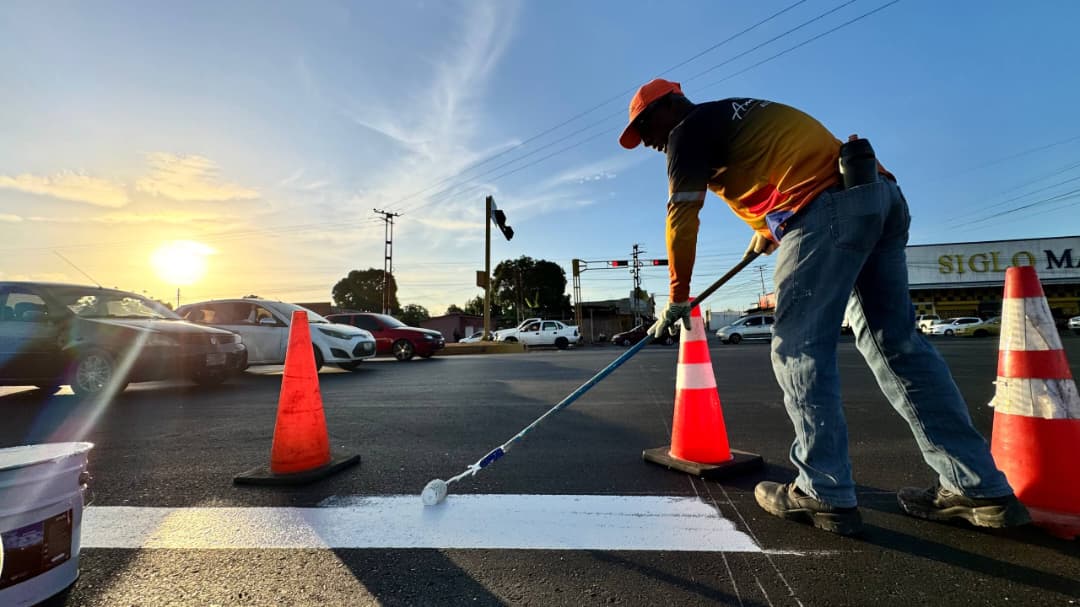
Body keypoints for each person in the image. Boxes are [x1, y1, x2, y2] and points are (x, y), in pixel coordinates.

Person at [622, 78, 1029, 535]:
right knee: (898, 347)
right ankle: (977, 488)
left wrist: (677, 297)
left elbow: (681, 218)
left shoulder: (686, 131)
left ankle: (822, 491)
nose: (649, 142)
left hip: (825, 207)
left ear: (670, 106)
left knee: (798, 350)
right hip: (876, 194)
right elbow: (784, 162)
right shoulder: (732, 113)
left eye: (645, 126)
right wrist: (772, 226)